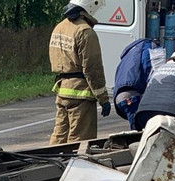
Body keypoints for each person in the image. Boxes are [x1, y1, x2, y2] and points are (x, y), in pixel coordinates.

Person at [49, 0, 111, 144]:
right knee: (80, 141)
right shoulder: (85, 31)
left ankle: (49, 159)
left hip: (62, 90)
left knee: (59, 138)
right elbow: (92, 69)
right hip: (81, 95)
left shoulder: (59, 27)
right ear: (91, 7)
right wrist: (103, 98)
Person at [113, 38, 155, 129]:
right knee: (139, 131)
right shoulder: (148, 48)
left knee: (136, 129)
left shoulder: (130, 54)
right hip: (131, 96)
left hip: (120, 96)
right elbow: (149, 71)